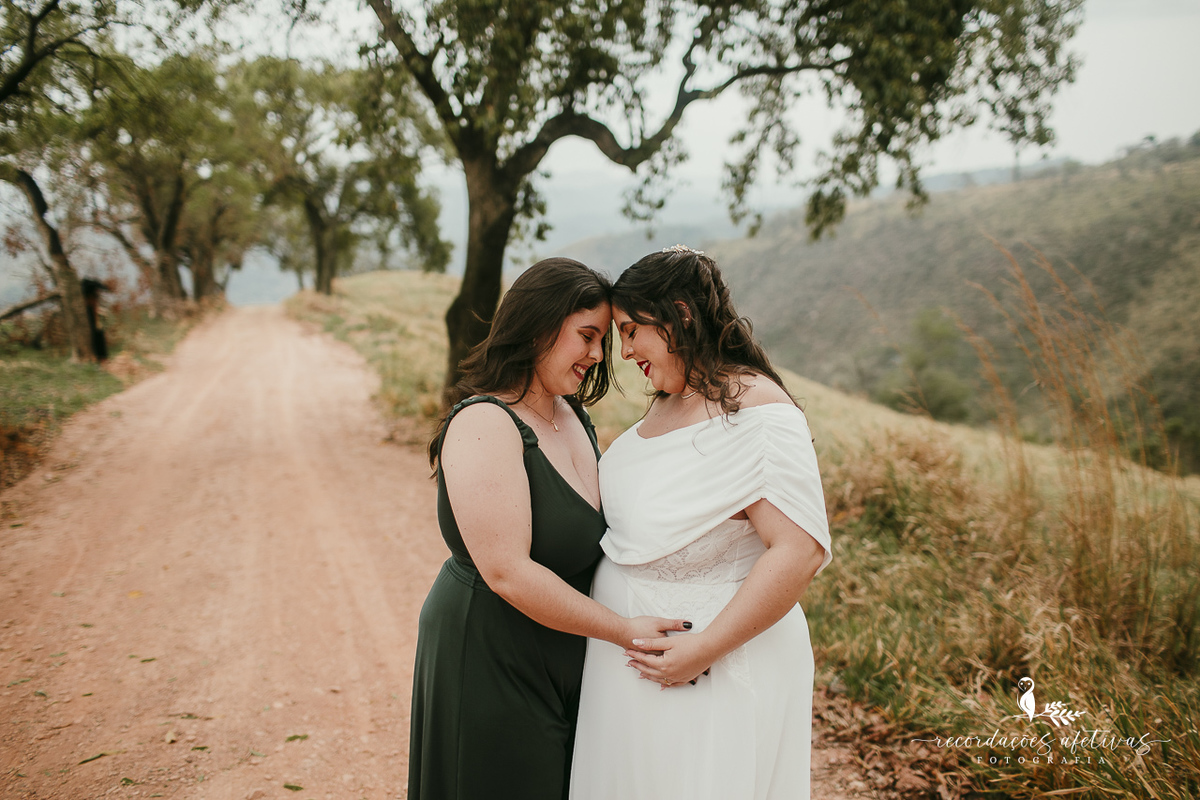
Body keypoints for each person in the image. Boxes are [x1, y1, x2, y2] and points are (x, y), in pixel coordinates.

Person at [408, 257, 689, 800]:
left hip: (564, 653)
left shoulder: (573, 417)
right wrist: (625, 629)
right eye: (586, 336)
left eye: (602, 340)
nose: (596, 354)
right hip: (490, 651)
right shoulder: (485, 423)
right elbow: (507, 572)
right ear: (539, 325)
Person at [569, 245, 832, 800]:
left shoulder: (758, 409)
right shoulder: (665, 403)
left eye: (632, 329)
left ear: (682, 315)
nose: (625, 349)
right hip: (627, 669)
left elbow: (798, 550)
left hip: (710, 667)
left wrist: (705, 648)